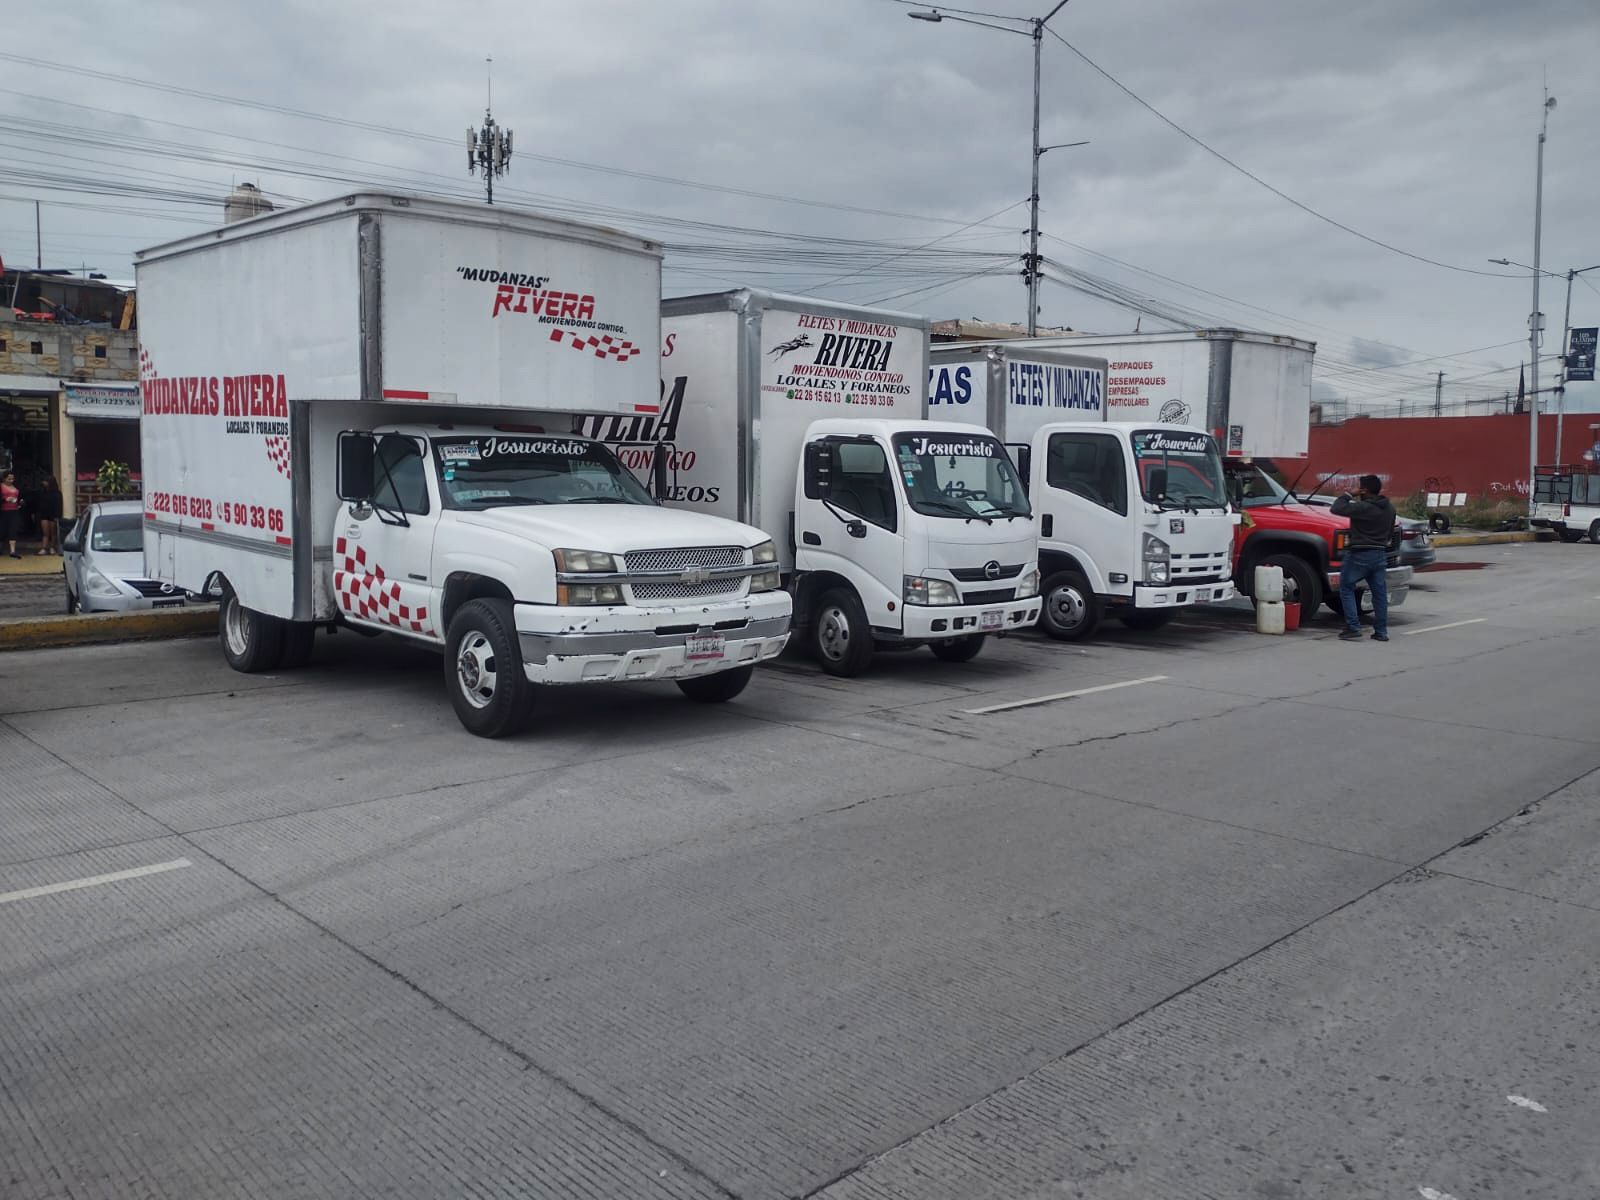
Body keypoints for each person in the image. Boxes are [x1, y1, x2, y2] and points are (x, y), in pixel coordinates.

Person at [1332, 474, 1397, 642]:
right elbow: (1390, 533)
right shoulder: (1390, 508)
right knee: (1379, 594)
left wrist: (1349, 494)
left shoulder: (1363, 507)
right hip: (1380, 554)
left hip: (1359, 554)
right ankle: (1381, 632)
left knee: (1346, 587)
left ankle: (1353, 627)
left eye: (1360, 487)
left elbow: (1337, 508)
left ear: (1364, 490)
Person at [35, 475, 63, 555]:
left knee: (53, 533)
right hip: (44, 514)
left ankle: (52, 547)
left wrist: (57, 515)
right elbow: (39, 503)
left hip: (53, 514)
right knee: (45, 533)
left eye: (45, 481)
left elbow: (59, 505)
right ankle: (44, 548)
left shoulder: (57, 493)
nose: (44, 483)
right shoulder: (42, 492)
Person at [0, 470, 20, 558]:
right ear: (4, 479)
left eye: (12, 479)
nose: (11, 481)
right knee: (2, 530)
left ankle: (12, 551)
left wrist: (21, 502)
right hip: (3, 511)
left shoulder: (16, 487)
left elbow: (20, 497)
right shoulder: (1, 487)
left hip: (14, 510)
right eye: (9, 479)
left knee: (13, 529)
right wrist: (5, 500)